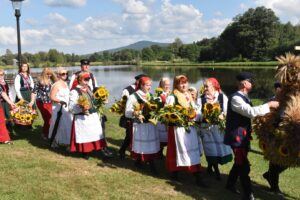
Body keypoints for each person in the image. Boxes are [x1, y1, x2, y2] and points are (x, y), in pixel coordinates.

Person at [224, 72, 280, 200]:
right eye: (251, 81)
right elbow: (250, 112)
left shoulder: (245, 97)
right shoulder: (236, 98)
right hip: (237, 138)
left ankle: (230, 184)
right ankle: (248, 194)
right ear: (244, 83)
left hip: (242, 137)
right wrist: (269, 105)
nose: (253, 83)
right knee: (243, 165)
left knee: (239, 162)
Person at [165, 75, 207, 188]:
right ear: (176, 85)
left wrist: (200, 116)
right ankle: (176, 172)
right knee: (178, 150)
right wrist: (181, 117)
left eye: (185, 83)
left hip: (190, 127)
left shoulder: (188, 95)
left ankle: (196, 174)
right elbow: (166, 115)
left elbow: (194, 111)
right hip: (177, 129)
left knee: (191, 150)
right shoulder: (172, 97)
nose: (184, 85)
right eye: (180, 83)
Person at [198, 78, 233, 180]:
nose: (204, 88)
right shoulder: (201, 99)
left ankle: (210, 167)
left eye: (206, 86)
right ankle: (216, 171)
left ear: (213, 86)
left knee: (218, 149)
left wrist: (223, 116)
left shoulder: (222, 97)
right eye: (204, 86)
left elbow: (227, 110)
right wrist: (203, 115)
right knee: (210, 149)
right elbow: (198, 112)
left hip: (218, 128)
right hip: (206, 128)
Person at [125, 76, 160, 172]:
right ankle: (141, 160)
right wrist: (135, 113)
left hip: (150, 124)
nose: (149, 87)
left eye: (150, 85)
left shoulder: (151, 96)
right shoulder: (134, 96)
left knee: (150, 144)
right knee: (142, 143)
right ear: (141, 85)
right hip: (140, 125)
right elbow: (127, 112)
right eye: (147, 85)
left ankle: (150, 161)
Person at [69, 72, 107, 159]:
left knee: (95, 132)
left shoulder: (88, 88)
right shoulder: (75, 91)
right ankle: (85, 152)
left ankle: (96, 148)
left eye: (88, 79)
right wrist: (81, 108)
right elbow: (71, 107)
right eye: (85, 79)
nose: (87, 81)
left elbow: (92, 100)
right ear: (79, 80)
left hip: (92, 116)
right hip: (83, 117)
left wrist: (101, 100)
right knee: (85, 134)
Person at [262, 82, 287, 195]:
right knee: (274, 161)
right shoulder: (271, 101)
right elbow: (264, 116)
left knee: (289, 159)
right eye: (278, 88)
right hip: (273, 134)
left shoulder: (290, 101)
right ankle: (274, 187)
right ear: (276, 89)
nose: (280, 91)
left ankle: (269, 175)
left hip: (287, 134)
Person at [118, 74, 148, 159]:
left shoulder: (145, 91)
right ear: (138, 81)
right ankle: (122, 151)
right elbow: (123, 104)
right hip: (129, 118)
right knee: (129, 136)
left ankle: (139, 154)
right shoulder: (127, 90)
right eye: (143, 81)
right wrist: (134, 112)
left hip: (142, 118)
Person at [49, 67, 72, 147]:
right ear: (58, 75)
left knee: (67, 124)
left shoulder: (65, 83)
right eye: (63, 74)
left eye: (66, 73)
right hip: (58, 107)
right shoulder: (56, 85)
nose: (65, 75)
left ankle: (66, 141)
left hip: (67, 107)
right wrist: (60, 101)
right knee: (59, 125)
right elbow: (52, 97)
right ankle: (56, 141)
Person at [32, 68, 57, 139]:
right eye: (47, 74)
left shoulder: (52, 81)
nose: (49, 75)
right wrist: (32, 101)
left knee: (50, 118)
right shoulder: (39, 81)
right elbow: (34, 92)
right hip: (41, 102)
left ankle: (48, 132)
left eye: (50, 74)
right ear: (44, 74)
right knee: (48, 118)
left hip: (50, 102)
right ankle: (45, 133)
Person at [156, 77, 171, 158]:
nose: (167, 86)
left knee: (168, 136)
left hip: (168, 118)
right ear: (161, 85)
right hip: (161, 118)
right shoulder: (159, 95)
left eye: (168, 84)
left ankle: (167, 153)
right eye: (165, 84)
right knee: (162, 137)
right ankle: (159, 153)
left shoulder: (170, 93)